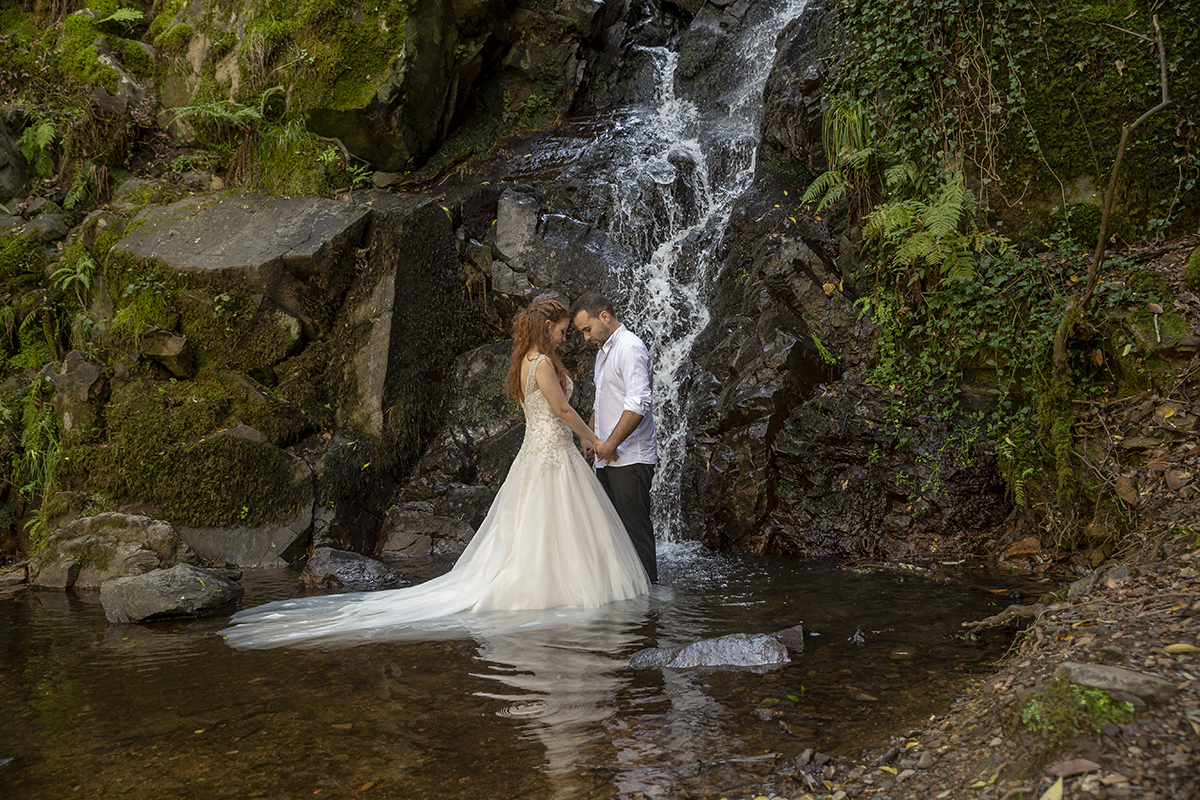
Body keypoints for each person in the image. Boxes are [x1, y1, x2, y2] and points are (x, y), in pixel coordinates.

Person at [224, 299, 649, 649]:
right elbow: (560, 410)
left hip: (548, 451)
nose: (566, 336)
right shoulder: (540, 364)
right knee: (549, 524)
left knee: (539, 526)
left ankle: (562, 583)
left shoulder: (532, 361)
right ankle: (564, 589)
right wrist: (594, 438)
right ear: (547, 327)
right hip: (551, 451)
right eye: (561, 329)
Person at [569, 293, 658, 583]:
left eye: (587, 329)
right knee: (613, 534)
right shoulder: (603, 353)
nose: (585, 337)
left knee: (635, 534)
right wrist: (590, 437)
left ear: (604, 317)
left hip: (630, 458)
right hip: (608, 457)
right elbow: (601, 401)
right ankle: (625, 596)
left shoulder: (630, 348)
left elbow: (638, 404)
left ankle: (648, 606)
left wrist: (610, 445)